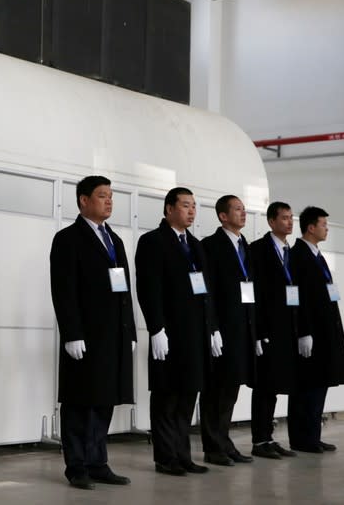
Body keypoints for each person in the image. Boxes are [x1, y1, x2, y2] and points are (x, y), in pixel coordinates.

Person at [50, 175, 137, 490]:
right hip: (85, 336)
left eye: (111, 196)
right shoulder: (68, 239)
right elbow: (64, 289)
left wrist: (130, 333)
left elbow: (125, 290)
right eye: (102, 196)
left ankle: (97, 461)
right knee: (79, 401)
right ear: (83, 200)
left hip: (113, 335)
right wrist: (71, 332)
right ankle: (77, 467)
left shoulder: (114, 240)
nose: (109, 201)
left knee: (104, 400)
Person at [135, 187, 214, 476]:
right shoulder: (153, 242)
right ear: (169, 209)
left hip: (194, 335)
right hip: (169, 334)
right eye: (185, 205)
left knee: (187, 396)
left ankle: (183, 455)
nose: (191, 211)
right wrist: (156, 328)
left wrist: (212, 328)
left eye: (194, 206)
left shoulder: (195, 244)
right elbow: (148, 288)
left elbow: (206, 291)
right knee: (167, 396)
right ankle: (166, 457)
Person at [287, 206, 344, 453]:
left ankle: (312, 435)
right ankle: (301, 438)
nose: (327, 229)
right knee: (307, 385)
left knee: (320, 383)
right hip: (310, 331)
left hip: (325, 330)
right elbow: (298, 298)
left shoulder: (317, 255)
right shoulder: (298, 255)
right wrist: (304, 330)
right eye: (323, 224)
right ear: (311, 227)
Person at [199, 195, 255, 466]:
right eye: (237, 209)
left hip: (243, 327)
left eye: (244, 209)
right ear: (222, 216)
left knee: (231, 388)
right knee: (216, 389)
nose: (243, 213)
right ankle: (213, 446)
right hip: (222, 328)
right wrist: (213, 328)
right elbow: (208, 290)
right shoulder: (210, 246)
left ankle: (224, 441)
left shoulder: (245, 245)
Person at [247, 202, 298, 459]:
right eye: (284, 218)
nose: (289, 223)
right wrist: (257, 331)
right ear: (271, 221)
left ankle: (268, 437)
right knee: (265, 385)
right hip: (267, 328)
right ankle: (259, 440)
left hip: (287, 328)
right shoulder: (258, 250)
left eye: (291, 218)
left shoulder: (290, 250)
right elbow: (254, 292)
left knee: (276, 384)